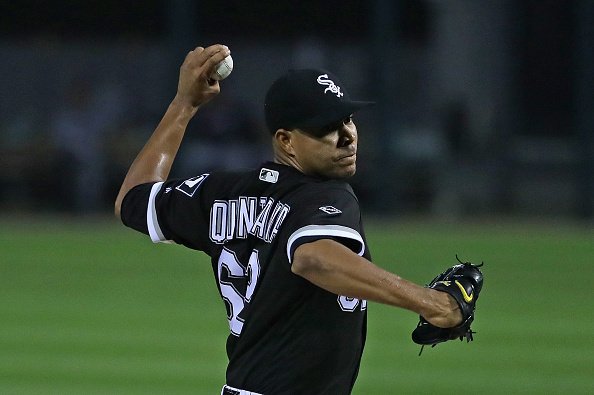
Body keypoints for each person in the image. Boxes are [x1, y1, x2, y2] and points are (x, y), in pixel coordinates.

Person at [114, 44, 462, 395]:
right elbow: (313, 258)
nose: (347, 136)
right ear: (286, 140)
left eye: (348, 119)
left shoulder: (221, 192)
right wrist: (431, 302)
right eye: (326, 127)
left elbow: (133, 199)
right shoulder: (326, 197)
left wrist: (184, 105)